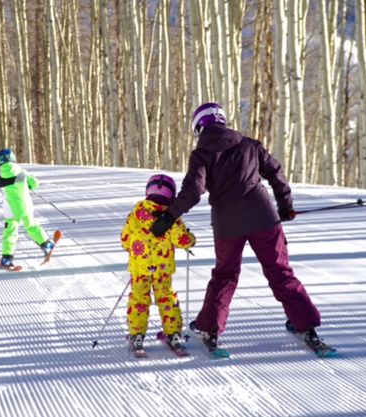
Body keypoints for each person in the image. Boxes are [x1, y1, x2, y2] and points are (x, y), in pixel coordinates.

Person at [150, 102, 323, 352]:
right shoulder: (249, 144)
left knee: (225, 275)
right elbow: (276, 172)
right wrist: (285, 206)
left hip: (228, 224)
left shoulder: (201, 154)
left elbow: (193, 191)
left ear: (199, 127)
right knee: (280, 271)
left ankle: (209, 328)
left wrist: (168, 218)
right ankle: (306, 325)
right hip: (264, 217)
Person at [121, 174, 196, 353]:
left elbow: (125, 239)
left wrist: (134, 248)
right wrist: (191, 240)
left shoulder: (136, 214)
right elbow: (182, 239)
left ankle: (137, 334)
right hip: (162, 270)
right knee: (166, 298)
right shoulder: (171, 217)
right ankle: (173, 334)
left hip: (140, 269)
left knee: (139, 299)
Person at [0, 149, 56, 268]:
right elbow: (35, 183)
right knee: (32, 226)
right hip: (25, 207)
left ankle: (7, 259)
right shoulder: (22, 172)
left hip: (10, 211)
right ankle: (46, 245)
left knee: (10, 233)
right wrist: (29, 185)